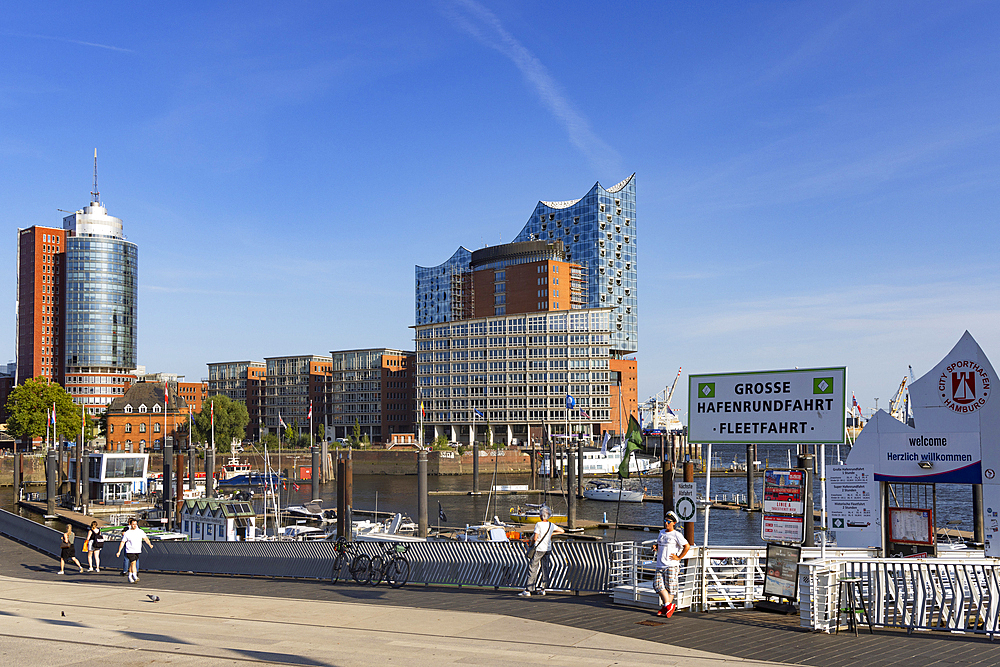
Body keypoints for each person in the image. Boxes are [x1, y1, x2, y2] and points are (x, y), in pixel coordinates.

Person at [518, 506, 564, 597]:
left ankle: (528, 590)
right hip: (548, 549)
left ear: (541, 515)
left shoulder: (538, 524)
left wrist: (531, 545)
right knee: (545, 568)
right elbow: (562, 531)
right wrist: (551, 534)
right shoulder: (551, 525)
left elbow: (535, 538)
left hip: (538, 549)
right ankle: (543, 589)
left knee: (533, 568)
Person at [653, 511, 690, 618]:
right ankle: (668, 605)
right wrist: (656, 546)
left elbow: (686, 546)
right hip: (660, 564)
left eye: (668, 521)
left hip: (671, 565)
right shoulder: (661, 533)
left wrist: (678, 557)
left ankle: (666, 607)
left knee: (670, 588)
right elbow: (660, 544)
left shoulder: (676, 534)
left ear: (674, 523)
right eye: (665, 521)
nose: (666, 523)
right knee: (657, 585)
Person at [116, 518, 152, 583]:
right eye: (133, 524)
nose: (134, 525)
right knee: (133, 563)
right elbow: (122, 542)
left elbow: (145, 538)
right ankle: (135, 576)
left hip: (137, 550)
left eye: (135, 524)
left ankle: (130, 576)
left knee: (132, 564)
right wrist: (119, 551)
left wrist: (150, 544)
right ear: (130, 524)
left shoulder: (140, 531)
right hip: (129, 550)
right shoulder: (127, 532)